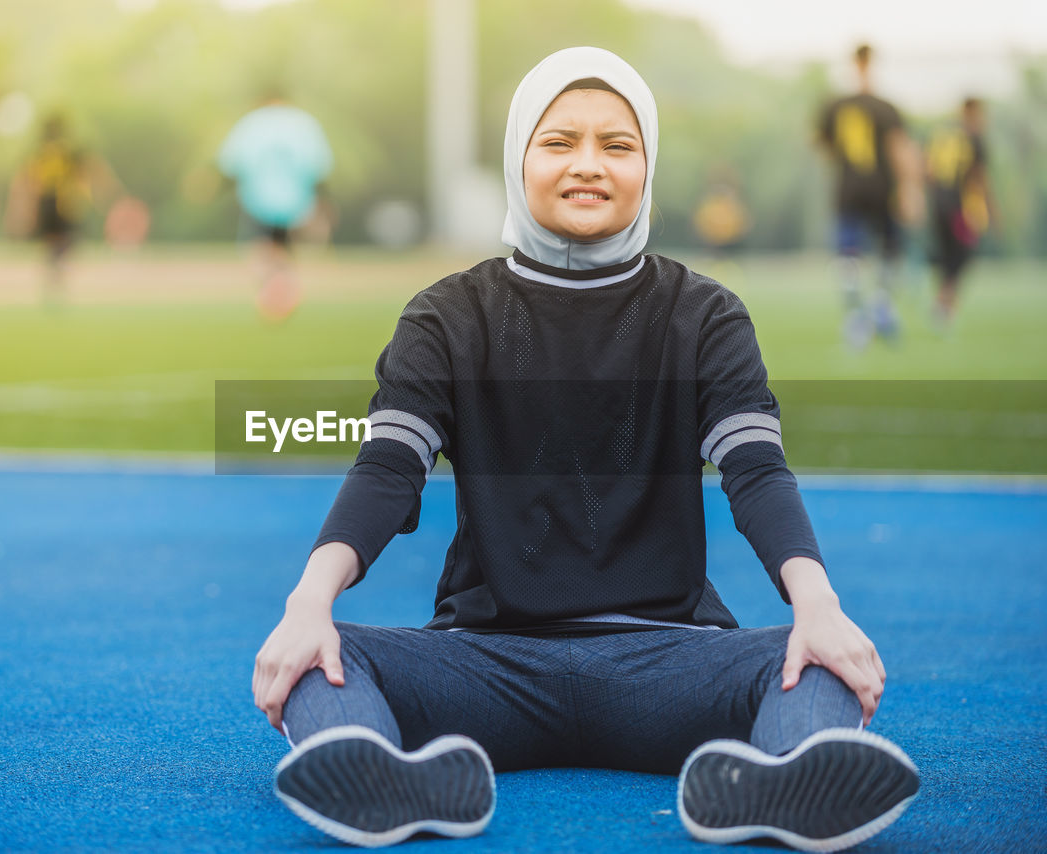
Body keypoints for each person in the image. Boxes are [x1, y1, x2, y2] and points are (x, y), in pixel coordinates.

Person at [253, 47, 919, 851]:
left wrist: (817, 605)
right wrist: (307, 602)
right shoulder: (447, 316)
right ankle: (376, 778)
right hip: (486, 664)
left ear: (648, 165)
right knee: (324, 654)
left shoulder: (704, 315)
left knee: (816, 659)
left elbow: (756, 471)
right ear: (518, 159)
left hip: (670, 663)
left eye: (618, 144)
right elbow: (390, 468)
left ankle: (788, 782)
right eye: (559, 142)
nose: (589, 166)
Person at [816, 45, 922, 349]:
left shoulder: (835, 106)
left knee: (848, 258)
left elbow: (821, 144)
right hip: (881, 189)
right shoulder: (885, 107)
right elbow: (900, 149)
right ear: (872, 63)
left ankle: (858, 318)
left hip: (849, 190)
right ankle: (880, 308)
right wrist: (910, 189)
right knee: (889, 253)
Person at [217, 95, 334, 322]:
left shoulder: (252, 122)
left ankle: (272, 297)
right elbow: (320, 165)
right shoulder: (303, 123)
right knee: (283, 252)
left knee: (262, 253)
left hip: (259, 202)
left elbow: (230, 163)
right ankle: (284, 293)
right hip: (296, 203)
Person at [5, 114, 130, 307]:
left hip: (49, 203)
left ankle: (54, 274)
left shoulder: (40, 152)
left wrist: (22, 211)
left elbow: (25, 182)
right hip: (63, 203)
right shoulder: (69, 151)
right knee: (64, 242)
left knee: (55, 244)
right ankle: (56, 273)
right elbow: (93, 171)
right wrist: (108, 193)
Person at [926, 97, 993, 330]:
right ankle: (944, 304)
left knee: (948, 257)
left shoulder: (943, 136)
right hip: (959, 207)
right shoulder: (974, 138)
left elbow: (930, 170)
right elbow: (979, 177)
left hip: (937, 204)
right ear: (971, 113)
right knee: (964, 254)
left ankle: (944, 307)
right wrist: (990, 209)